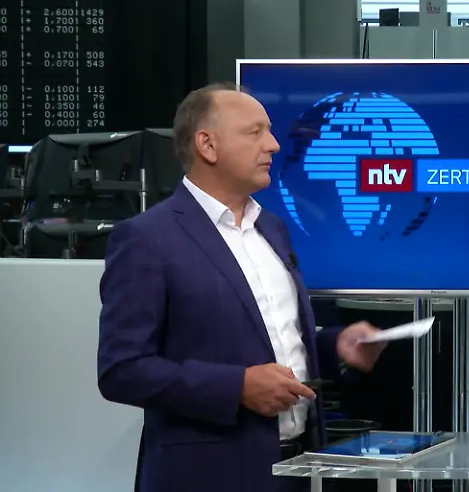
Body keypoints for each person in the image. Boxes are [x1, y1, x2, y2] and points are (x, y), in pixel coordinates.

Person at [97, 82, 388, 492]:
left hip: (298, 470)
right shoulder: (147, 238)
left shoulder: (272, 228)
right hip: (207, 477)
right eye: (255, 132)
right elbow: (121, 370)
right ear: (207, 145)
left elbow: (267, 340)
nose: (273, 145)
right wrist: (237, 388)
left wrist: (333, 346)